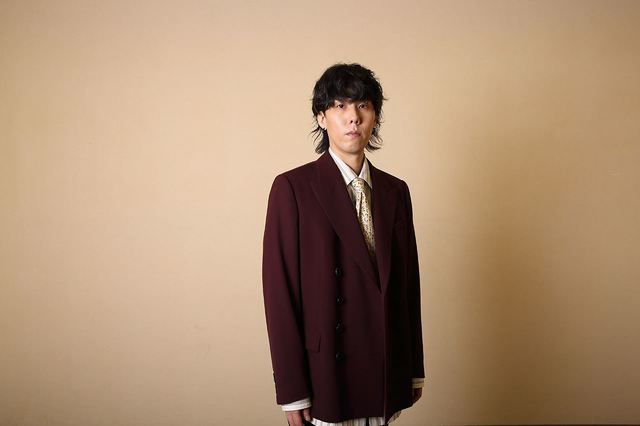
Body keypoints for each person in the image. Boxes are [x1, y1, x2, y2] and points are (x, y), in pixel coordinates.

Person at [262, 63, 425, 426]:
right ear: (322, 117)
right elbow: (280, 294)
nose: (353, 117)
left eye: (363, 105)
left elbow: (407, 285)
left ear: (375, 116)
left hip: (385, 369)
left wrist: (413, 367)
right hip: (326, 375)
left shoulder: (395, 191)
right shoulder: (293, 188)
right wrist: (292, 389)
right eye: (340, 106)